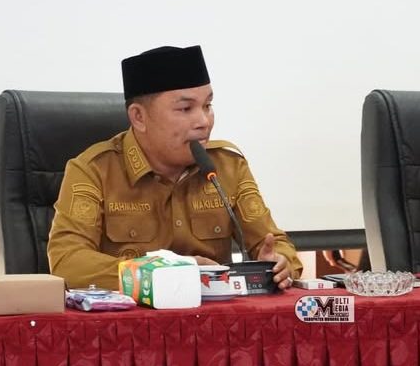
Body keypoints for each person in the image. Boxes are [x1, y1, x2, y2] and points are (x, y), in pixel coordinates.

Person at [48, 45, 302, 289]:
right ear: (139, 117)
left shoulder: (227, 166)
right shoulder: (94, 171)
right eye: (185, 108)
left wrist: (280, 263)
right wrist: (166, 273)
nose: (204, 121)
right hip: (132, 315)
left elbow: (274, 243)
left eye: (207, 106)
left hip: (213, 313)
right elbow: (67, 263)